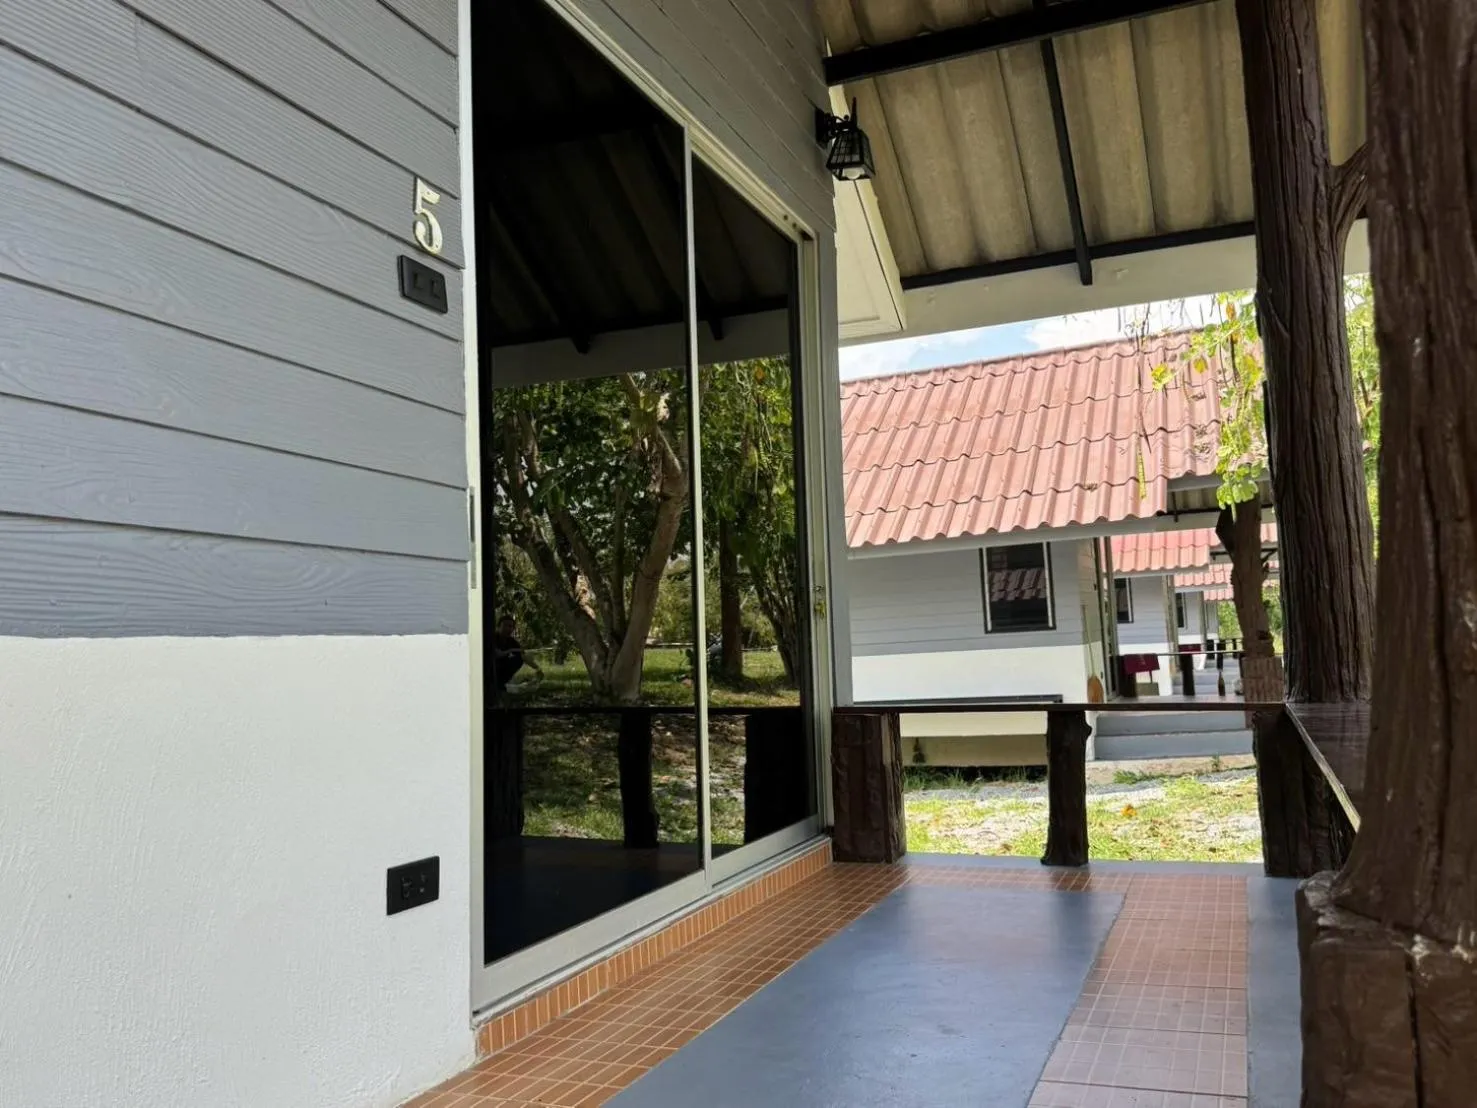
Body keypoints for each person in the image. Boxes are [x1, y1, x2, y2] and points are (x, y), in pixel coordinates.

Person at [493, 616, 542, 697]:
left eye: (511, 626)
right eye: (505, 625)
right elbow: (497, 654)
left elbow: (523, 656)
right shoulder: (492, 638)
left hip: (501, 667)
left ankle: (500, 685)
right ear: (499, 626)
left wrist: (538, 669)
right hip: (489, 668)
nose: (508, 629)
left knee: (518, 659)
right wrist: (511, 650)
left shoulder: (512, 641)